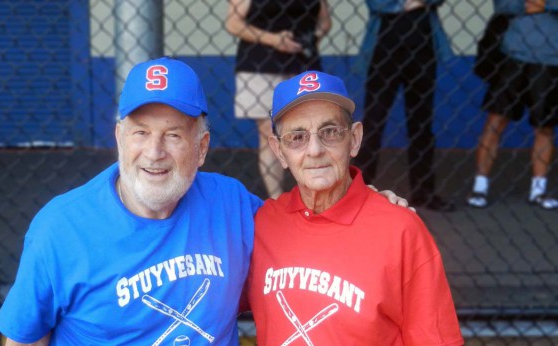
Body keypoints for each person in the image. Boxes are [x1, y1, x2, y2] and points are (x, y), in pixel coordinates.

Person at [0, 57, 407, 346]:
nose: (154, 152)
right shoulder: (63, 228)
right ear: (118, 138)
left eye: (173, 134)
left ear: (201, 147)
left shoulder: (232, 206)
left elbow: (306, 232)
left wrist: (363, 207)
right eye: (140, 132)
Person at [246, 70, 464, 346]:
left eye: (330, 132)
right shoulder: (261, 224)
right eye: (297, 137)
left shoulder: (400, 231)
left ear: (355, 139)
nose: (314, 150)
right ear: (279, 151)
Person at [354, 0, 456, 211]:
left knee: (422, 123)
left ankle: (423, 192)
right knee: (374, 121)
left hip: (422, 45)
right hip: (384, 47)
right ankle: (358, 191)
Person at [225, 0, 331, 198]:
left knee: (311, 131)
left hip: (303, 65)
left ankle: (310, 194)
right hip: (259, 65)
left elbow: (324, 22)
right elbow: (233, 23)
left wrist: (309, 39)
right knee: (269, 133)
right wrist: (273, 40)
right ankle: (277, 200)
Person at [466, 0, 558, 210]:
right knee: (496, 120)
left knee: (544, 127)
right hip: (512, 57)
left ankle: (538, 191)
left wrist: (544, 4)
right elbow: (504, 5)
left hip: (551, 59)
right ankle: (479, 186)